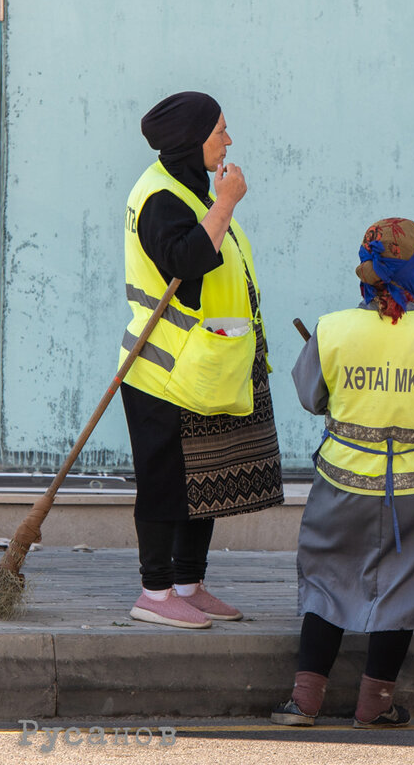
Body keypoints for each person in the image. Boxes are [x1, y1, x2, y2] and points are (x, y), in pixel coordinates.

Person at [272, 217, 414, 728]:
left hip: (343, 483)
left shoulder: (333, 328)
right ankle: (374, 705)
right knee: (403, 592)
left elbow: (311, 396)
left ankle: (304, 701)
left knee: (327, 581)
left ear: (363, 269)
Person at [119, 91, 284, 629]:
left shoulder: (189, 188)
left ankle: (188, 583)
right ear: (193, 140)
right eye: (220, 131)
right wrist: (227, 202)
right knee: (166, 482)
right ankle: (155, 590)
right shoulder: (160, 199)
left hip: (206, 363)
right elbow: (187, 261)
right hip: (162, 371)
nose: (229, 141)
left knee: (205, 478)